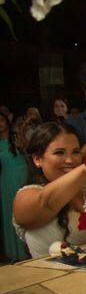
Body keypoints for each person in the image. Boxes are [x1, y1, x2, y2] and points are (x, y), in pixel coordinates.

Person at [12, 123, 86, 258]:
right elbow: (47, 203)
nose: (70, 160)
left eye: (76, 152)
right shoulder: (27, 195)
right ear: (37, 159)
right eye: (59, 152)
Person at [0, 112, 28, 262]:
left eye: (1, 120)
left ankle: (27, 250)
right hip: (7, 178)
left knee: (24, 209)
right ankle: (13, 252)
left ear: (6, 121)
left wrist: (21, 139)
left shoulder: (16, 136)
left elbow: (28, 150)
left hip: (22, 173)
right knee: (10, 211)